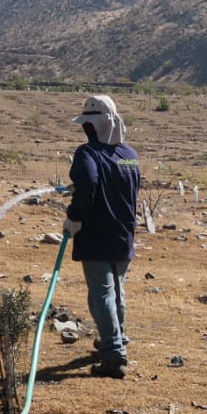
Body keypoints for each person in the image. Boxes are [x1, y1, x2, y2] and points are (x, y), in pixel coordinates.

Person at [64, 94, 141, 378]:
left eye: (87, 124)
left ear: (94, 126)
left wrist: (74, 217)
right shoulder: (130, 156)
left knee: (102, 293)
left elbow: (90, 183)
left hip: (97, 233)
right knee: (117, 289)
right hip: (124, 234)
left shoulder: (87, 154)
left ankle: (113, 355)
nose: (85, 130)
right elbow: (127, 188)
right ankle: (116, 338)